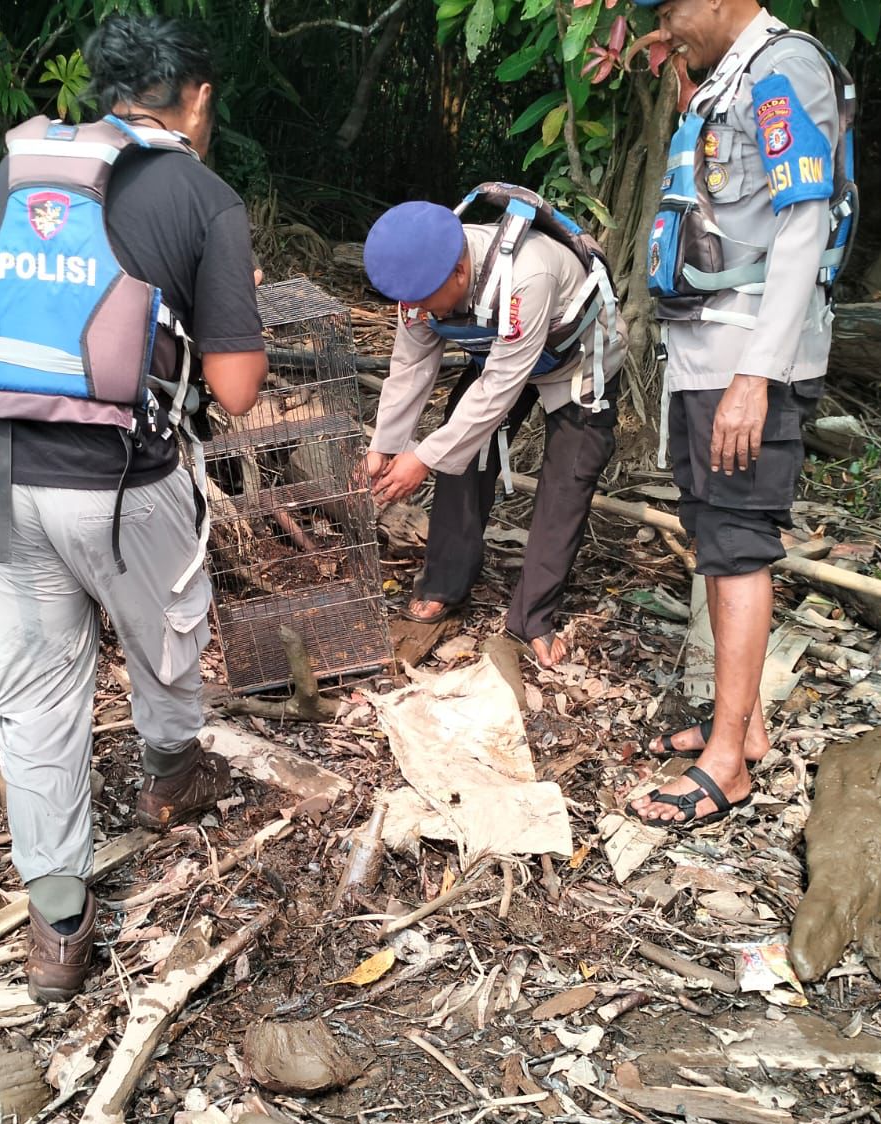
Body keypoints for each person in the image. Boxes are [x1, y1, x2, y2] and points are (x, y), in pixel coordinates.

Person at [0, 15, 266, 999]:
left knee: (35, 696)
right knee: (165, 637)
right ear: (197, 99)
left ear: (106, 88)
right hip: (119, 485)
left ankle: (58, 926)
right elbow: (239, 388)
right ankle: (170, 779)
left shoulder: (24, 170)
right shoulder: (205, 198)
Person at [628, 0, 854, 827]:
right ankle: (743, 724)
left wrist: (757, 377)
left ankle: (728, 764)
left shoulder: (784, 68)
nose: (664, 25)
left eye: (672, 8)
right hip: (705, 352)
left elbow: (803, 222)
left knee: (738, 544)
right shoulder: (729, 80)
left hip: (744, 358)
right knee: (714, 536)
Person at [362, 196, 626, 667]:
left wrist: (421, 457)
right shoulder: (419, 289)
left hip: (579, 361)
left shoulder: (526, 276)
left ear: (459, 274)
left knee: (567, 481)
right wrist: (385, 446)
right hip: (499, 355)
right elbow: (410, 368)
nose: (416, 311)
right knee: (461, 454)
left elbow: (502, 387)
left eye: (424, 301)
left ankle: (533, 617)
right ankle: (445, 581)